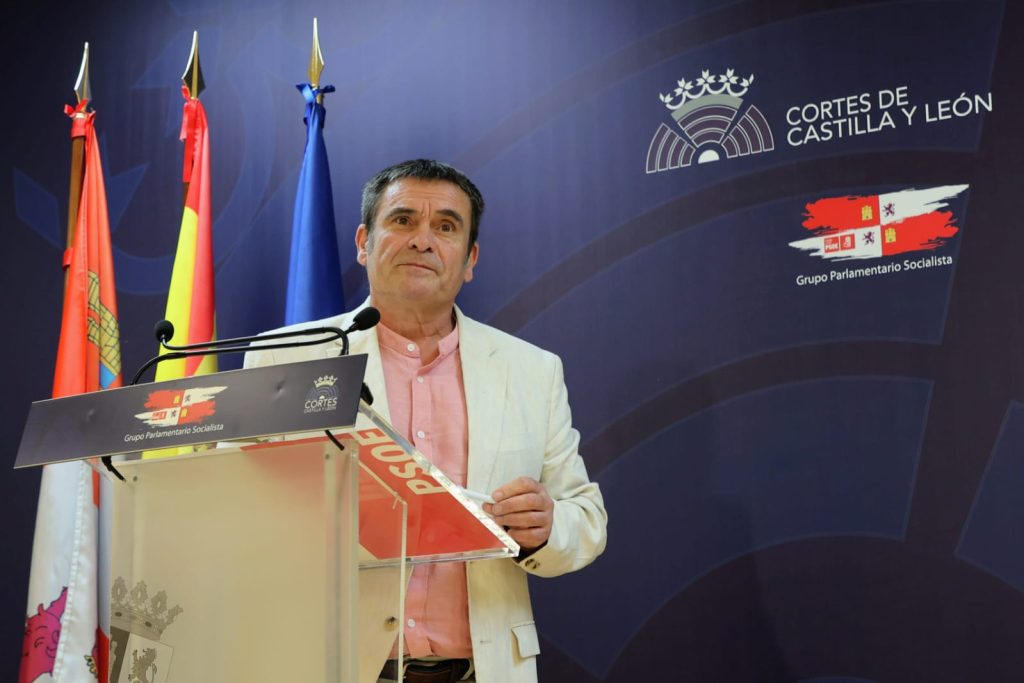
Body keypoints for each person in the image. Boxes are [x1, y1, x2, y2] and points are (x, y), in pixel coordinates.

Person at [244, 159, 607, 683]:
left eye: (446, 227)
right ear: (364, 242)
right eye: (403, 220)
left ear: (470, 259)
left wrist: (545, 528)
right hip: (332, 665)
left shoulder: (532, 371)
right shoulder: (288, 359)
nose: (422, 240)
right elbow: (241, 510)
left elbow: (586, 519)